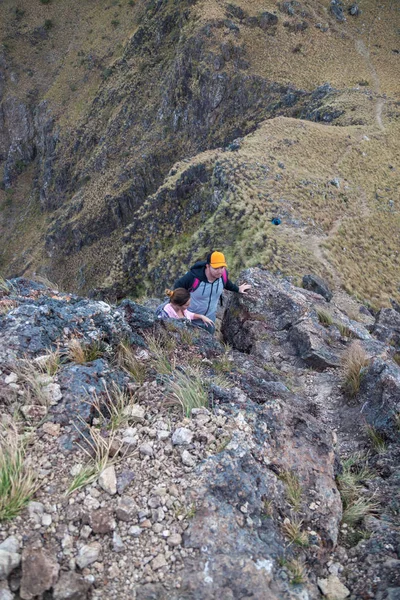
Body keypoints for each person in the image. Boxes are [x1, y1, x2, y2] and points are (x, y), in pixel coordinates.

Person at [173, 251, 251, 334]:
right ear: (208, 266)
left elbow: (226, 283)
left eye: (222, 267)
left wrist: (237, 289)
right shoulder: (193, 278)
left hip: (209, 321)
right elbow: (177, 289)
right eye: (216, 268)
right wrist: (179, 312)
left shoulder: (223, 276)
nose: (220, 271)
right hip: (191, 320)